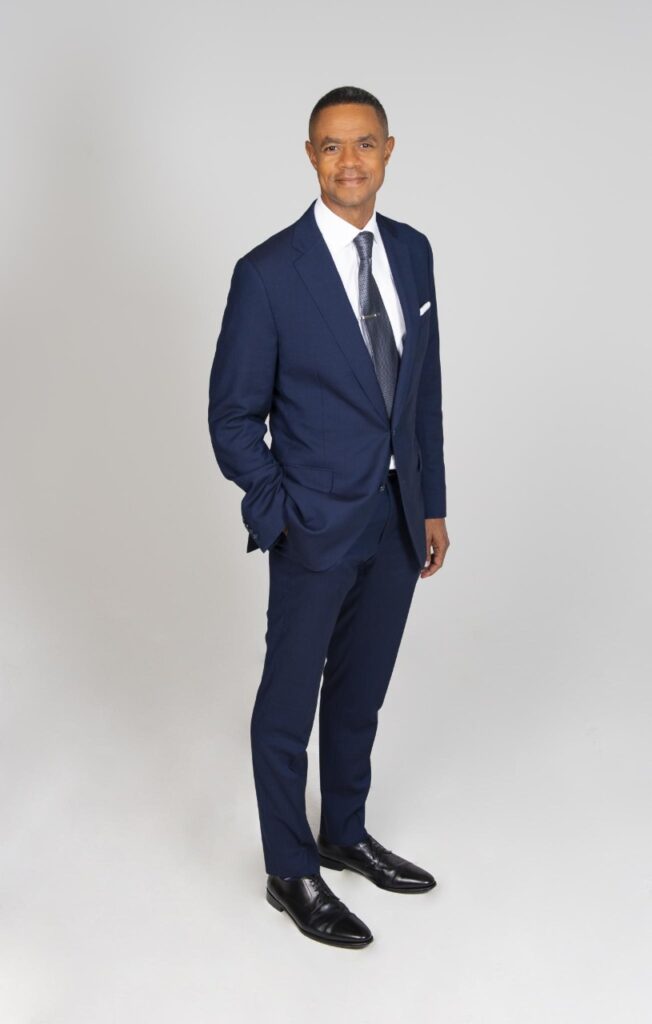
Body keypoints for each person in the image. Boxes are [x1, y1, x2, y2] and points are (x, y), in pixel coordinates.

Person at [208, 85, 450, 948]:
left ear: (389, 151)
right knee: (287, 704)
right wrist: (282, 511)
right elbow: (232, 417)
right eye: (332, 146)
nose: (350, 161)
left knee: (360, 692)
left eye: (365, 143)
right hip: (313, 523)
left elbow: (422, 392)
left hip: (397, 519)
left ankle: (343, 833)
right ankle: (290, 868)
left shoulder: (413, 252)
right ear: (311, 156)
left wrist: (432, 502)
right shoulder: (269, 273)